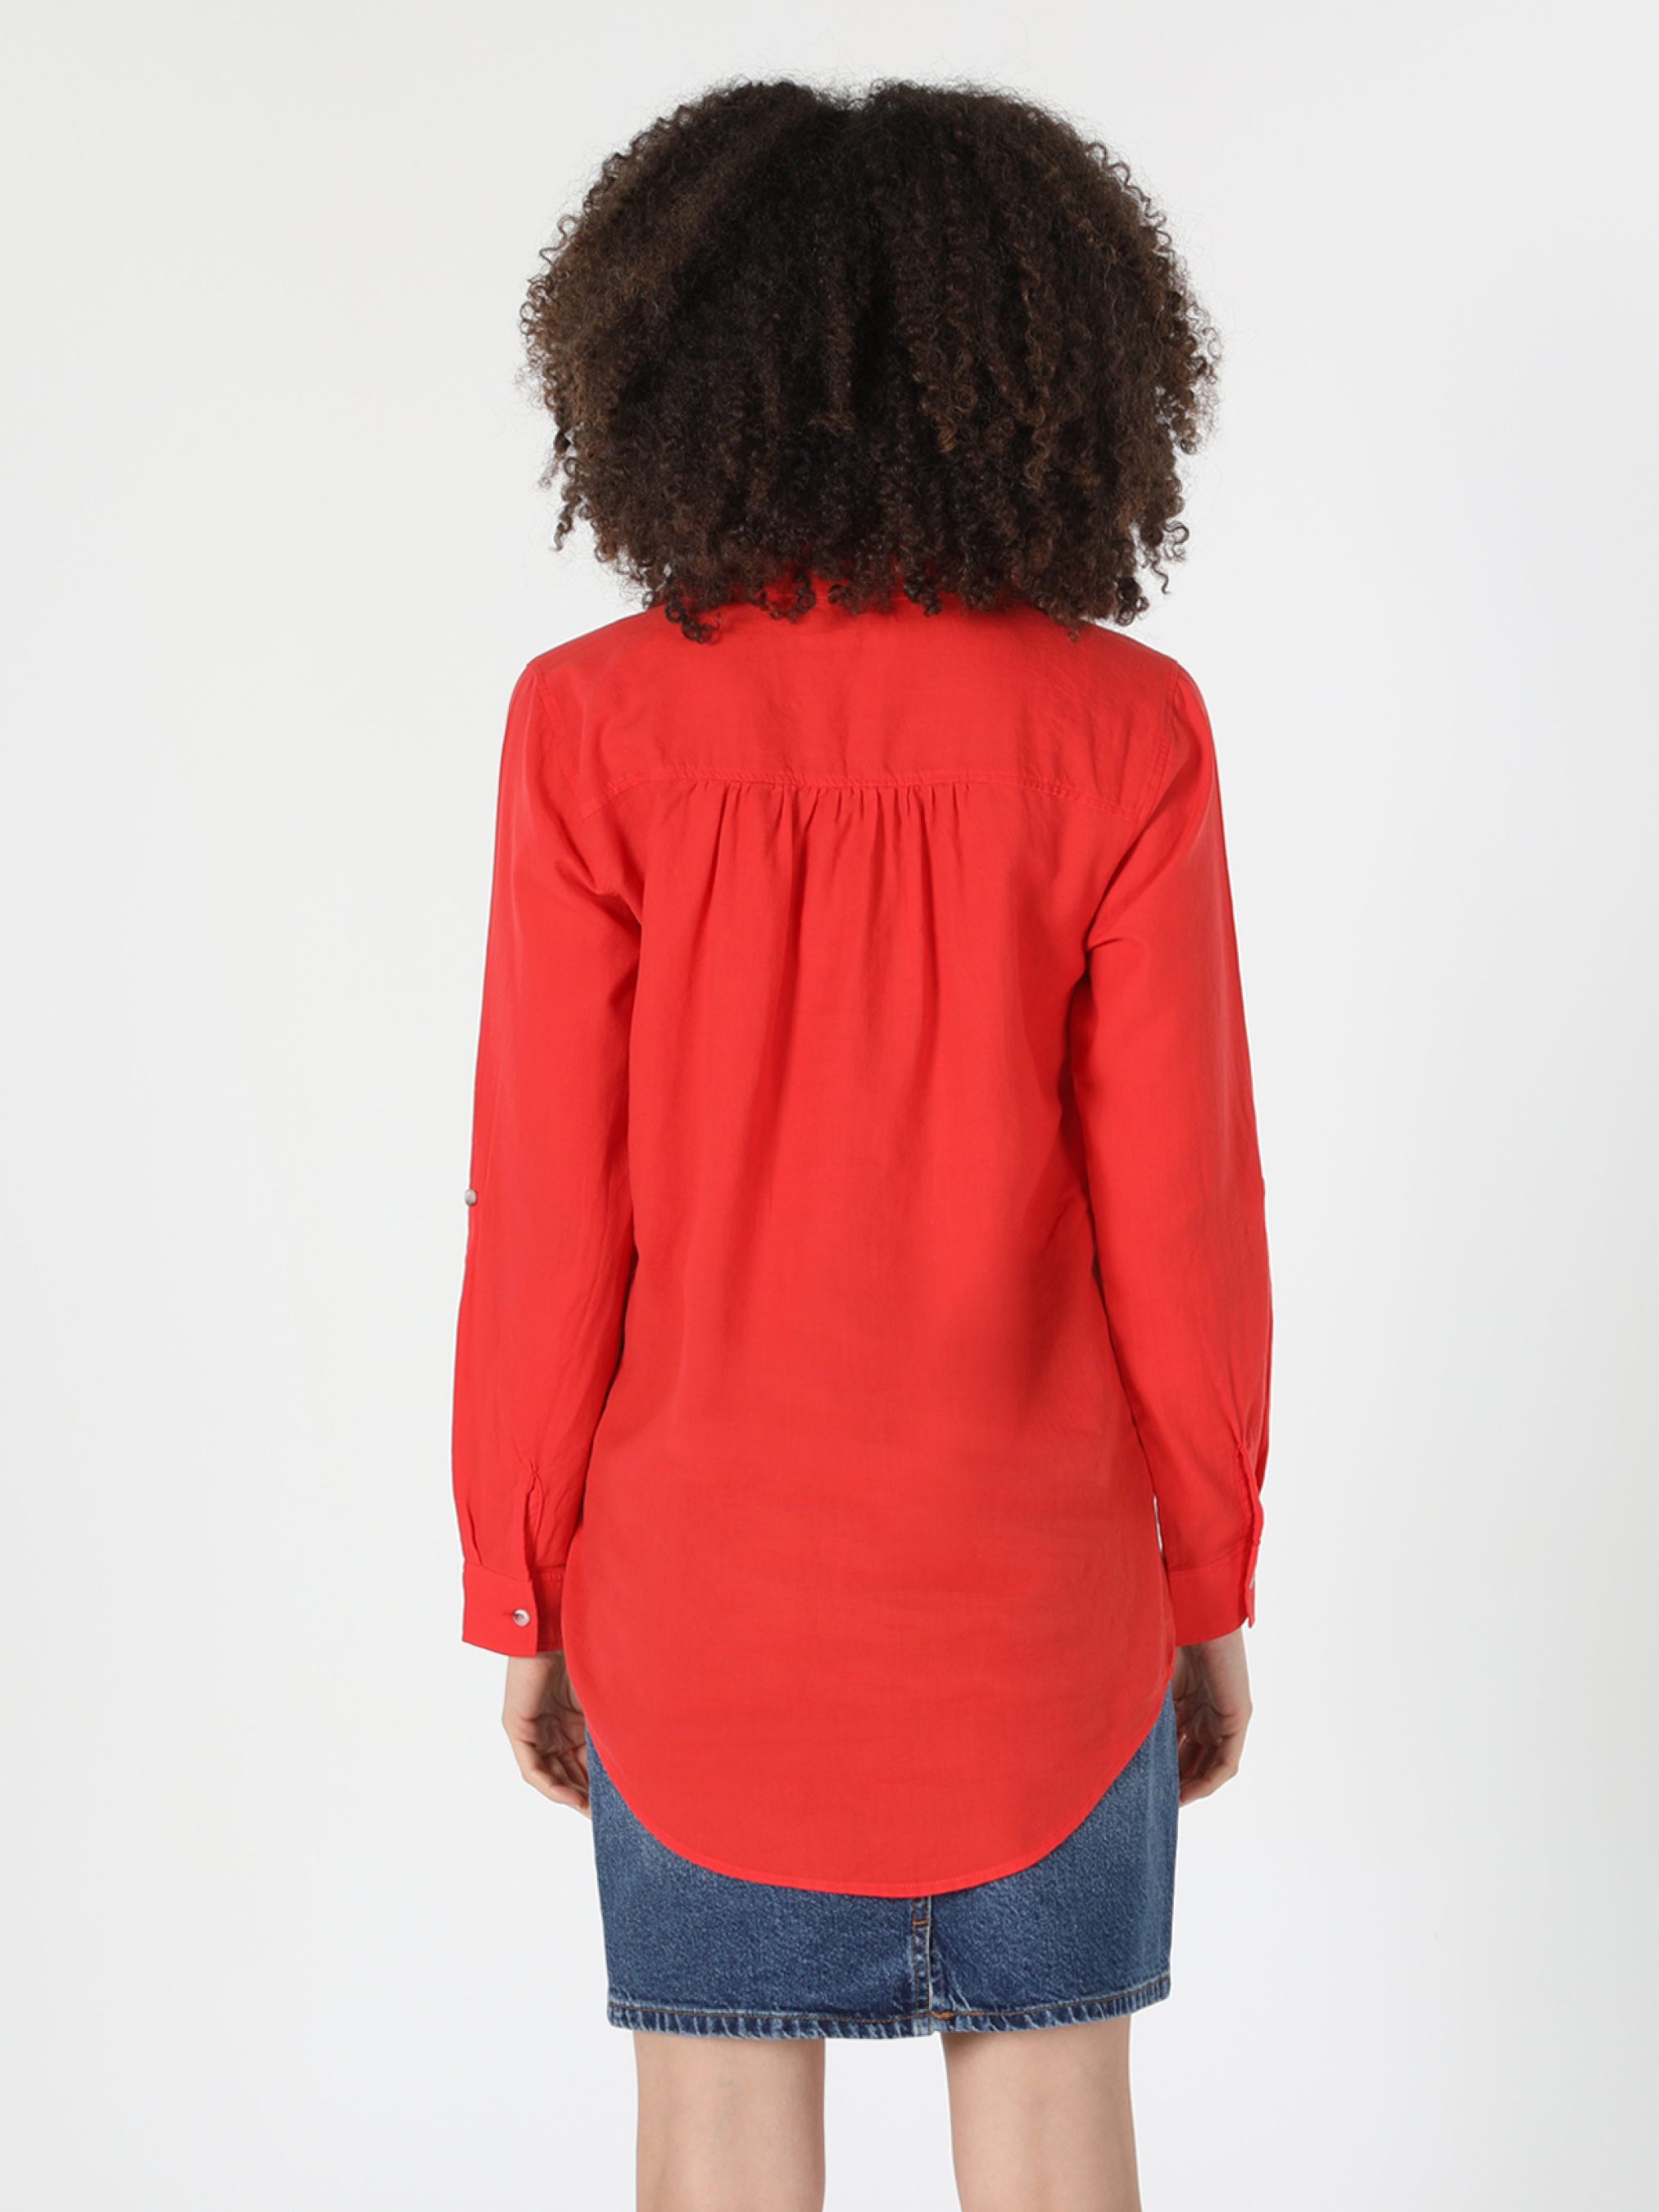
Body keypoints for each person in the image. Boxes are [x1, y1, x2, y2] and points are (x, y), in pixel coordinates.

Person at [451, 74, 1271, 2212]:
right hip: (1041, 1618)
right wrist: (1205, 1572)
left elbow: (546, 1216)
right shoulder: (1124, 731)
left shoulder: (589, 727)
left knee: (714, 2161)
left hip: (699, 1612)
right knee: (1061, 2156)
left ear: (672, 364)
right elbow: (1181, 1221)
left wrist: (519, 1578)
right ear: (1054, 360)